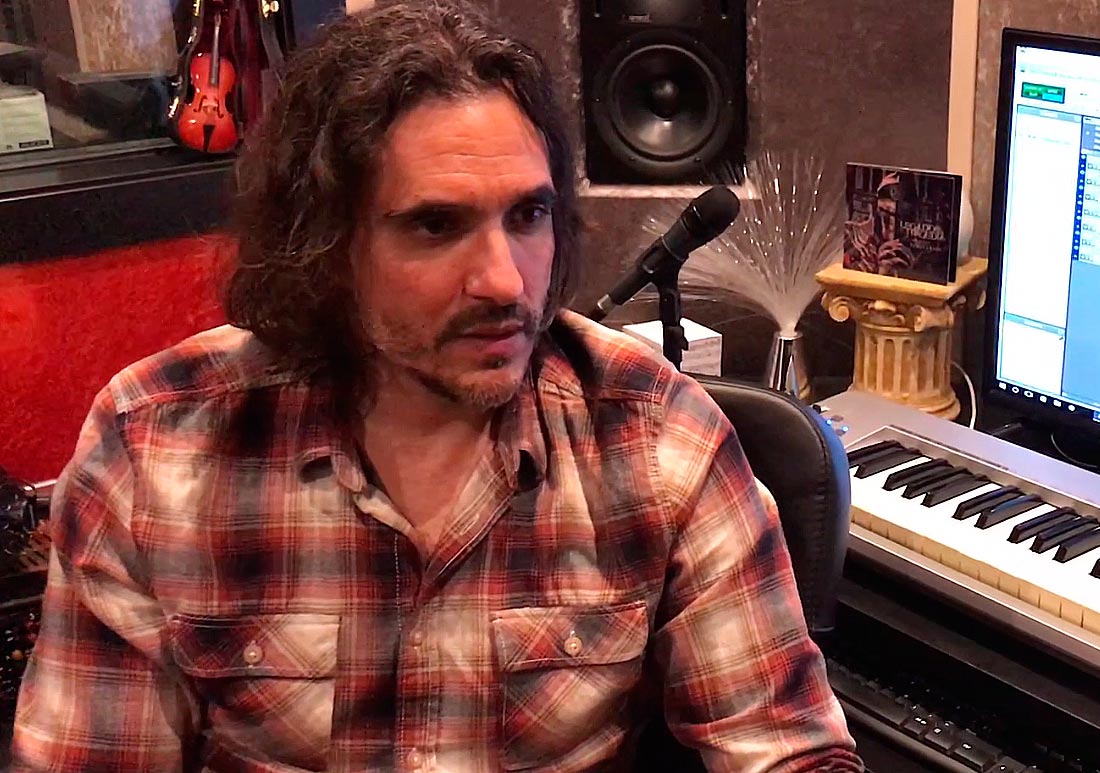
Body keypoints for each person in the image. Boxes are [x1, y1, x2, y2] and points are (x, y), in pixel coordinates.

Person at [9, 0, 862, 771]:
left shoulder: (657, 435)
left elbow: (788, 750)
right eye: (435, 224)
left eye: (527, 215)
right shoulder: (157, 445)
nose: (504, 281)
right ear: (325, 242)